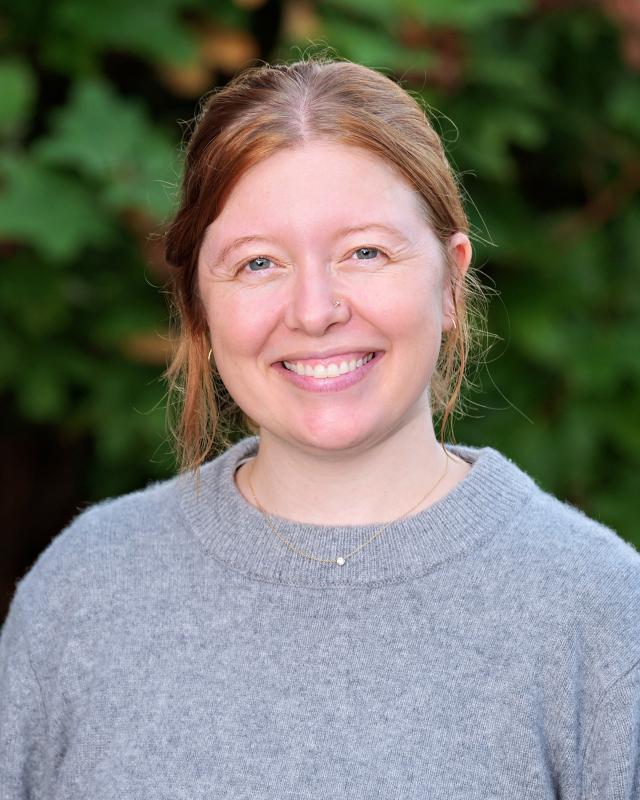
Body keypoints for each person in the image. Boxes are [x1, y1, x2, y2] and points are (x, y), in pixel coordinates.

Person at [1, 56, 639, 800]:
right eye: (258, 263)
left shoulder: (600, 615)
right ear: (199, 308)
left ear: (450, 280)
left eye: (365, 252)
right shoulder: (84, 592)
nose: (314, 311)